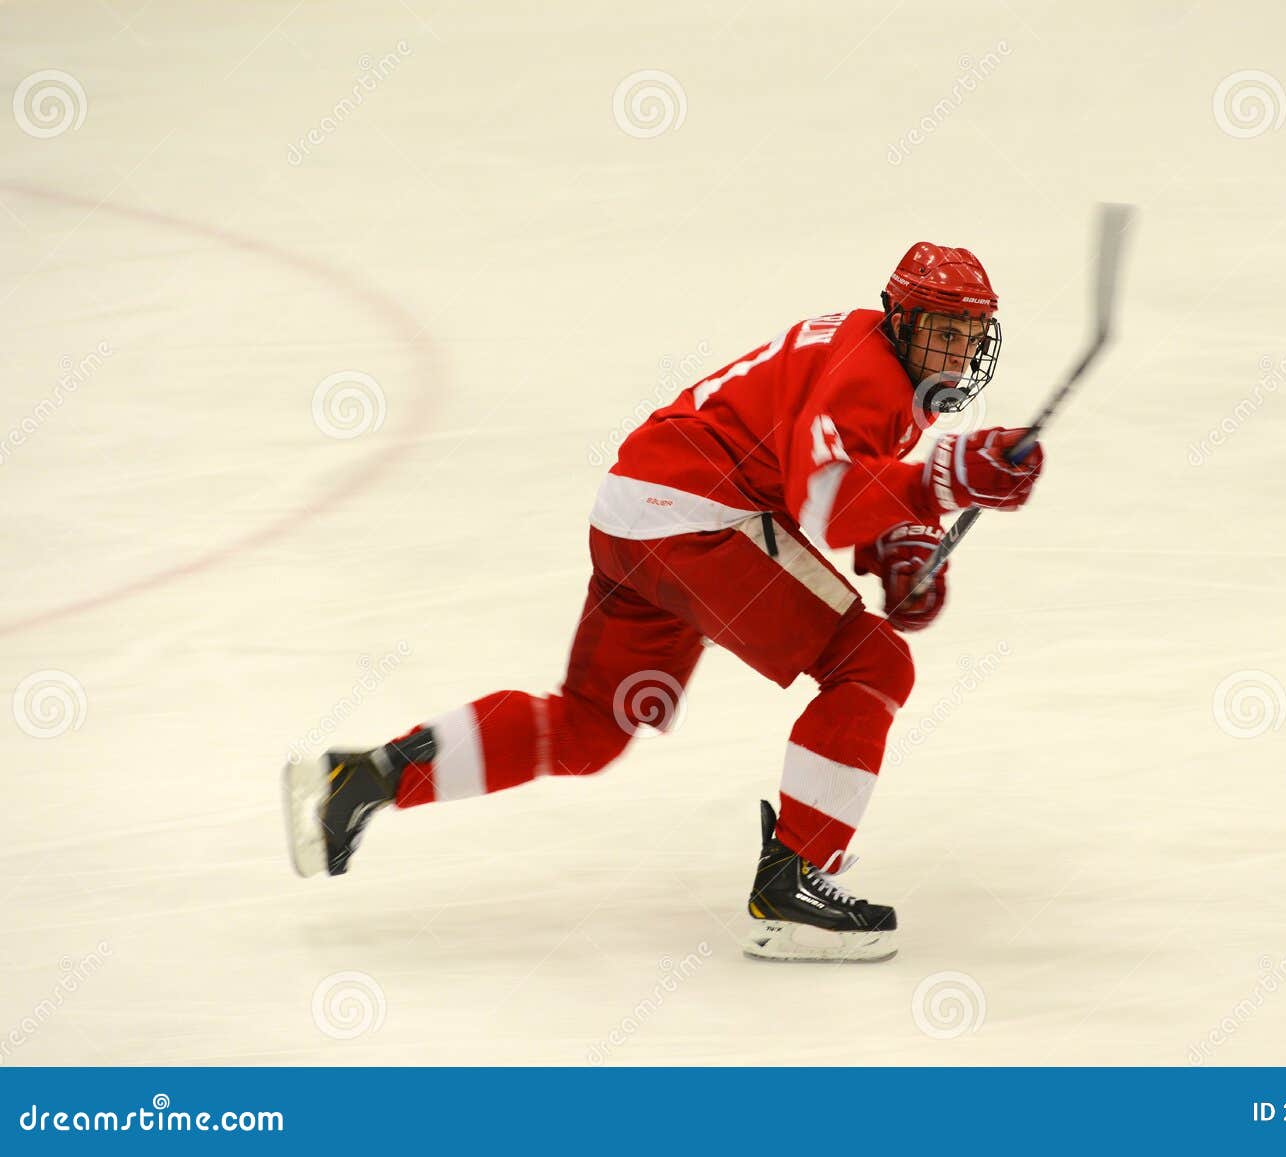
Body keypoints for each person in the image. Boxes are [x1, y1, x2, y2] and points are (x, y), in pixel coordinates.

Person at [283, 243, 1045, 962]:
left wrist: (899, 543)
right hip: (694, 520)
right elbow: (823, 501)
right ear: (901, 318)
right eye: (943, 331)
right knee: (873, 665)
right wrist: (942, 482)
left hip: (634, 514)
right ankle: (792, 888)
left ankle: (365, 779)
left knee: (590, 726)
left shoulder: (868, 351)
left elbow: (826, 469)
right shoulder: (872, 375)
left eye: (969, 334)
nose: (956, 352)